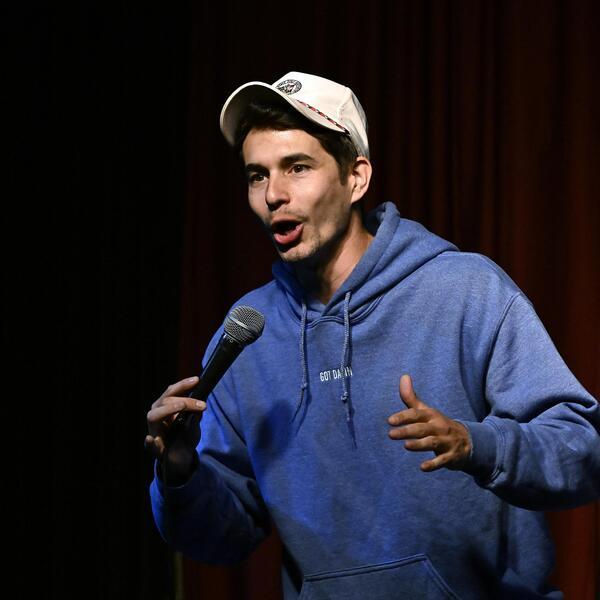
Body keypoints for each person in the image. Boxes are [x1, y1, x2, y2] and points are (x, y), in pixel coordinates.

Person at [147, 71, 600, 599]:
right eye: (256, 175)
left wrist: (476, 444)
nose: (273, 194)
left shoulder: (464, 290)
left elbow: (581, 451)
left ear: (356, 178)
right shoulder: (250, 334)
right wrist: (179, 474)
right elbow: (221, 537)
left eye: (297, 167)